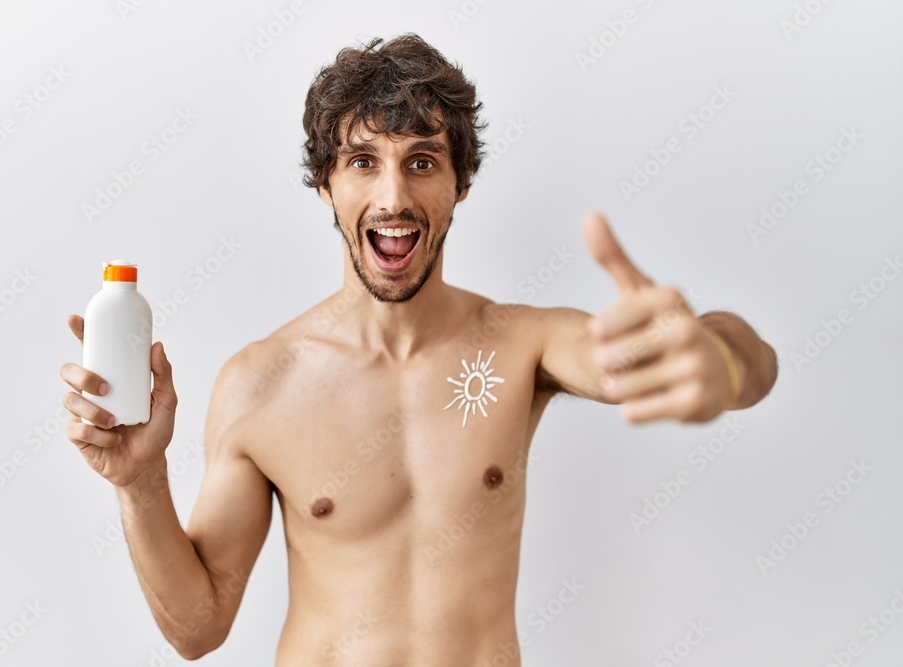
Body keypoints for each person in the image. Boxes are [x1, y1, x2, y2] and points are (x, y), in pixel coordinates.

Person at [59, 33, 778, 665]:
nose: (394, 196)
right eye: (364, 161)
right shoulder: (262, 383)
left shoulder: (523, 345)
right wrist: (140, 480)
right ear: (326, 185)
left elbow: (743, 363)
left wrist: (717, 357)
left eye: (423, 162)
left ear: (461, 184)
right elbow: (197, 628)